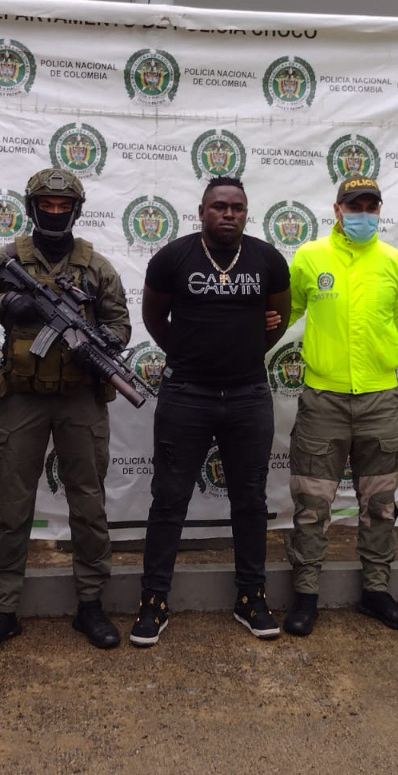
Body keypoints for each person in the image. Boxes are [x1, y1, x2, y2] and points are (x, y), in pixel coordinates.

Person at [0, 168, 131, 654]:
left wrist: (96, 343)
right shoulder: (5, 259)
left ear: (76, 210)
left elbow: (121, 327)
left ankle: (91, 605)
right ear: (31, 207)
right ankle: (2, 611)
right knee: (12, 507)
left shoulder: (96, 267)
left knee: (89, 504)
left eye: (63, 207)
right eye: (46, 206)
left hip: (81, 398)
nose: (54, 214)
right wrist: (7, 304)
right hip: (22, 397)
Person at [130, 176, 292, 646]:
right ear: (201, 210)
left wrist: (242, 346)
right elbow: (154, 320)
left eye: (237, 207)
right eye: (219, 206)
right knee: (168, 500)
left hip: (247, 395)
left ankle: (251, 597)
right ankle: (153, 601)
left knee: (250, 502)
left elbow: (276, 321)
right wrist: (190, 352)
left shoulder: (267, 259)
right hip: (186, 395)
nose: (228, 214)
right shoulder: (173, 257)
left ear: (246, 211)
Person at [281, 175, 398, 637]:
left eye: (370, 206)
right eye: (353, 205)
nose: (362, 213)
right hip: (324, 400)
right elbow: (288, 311)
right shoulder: (309, 257)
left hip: (380, 398)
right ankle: (305, 594)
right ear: (336, 210)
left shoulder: (395, 263)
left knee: (379, 504)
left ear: (379, 210)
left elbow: (396, 320)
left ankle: (376, 592)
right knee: (312, 505)